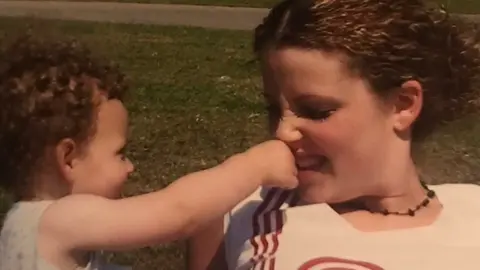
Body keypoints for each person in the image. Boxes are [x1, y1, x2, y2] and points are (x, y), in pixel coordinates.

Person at [187, 0, 480, 269]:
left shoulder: (472, 214)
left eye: (316, 111)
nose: (282, 132)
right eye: (274, 108)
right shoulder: (237, 206)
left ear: (402, 105)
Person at [0, 35, 298, 270]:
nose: (130, 167)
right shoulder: (59, 220)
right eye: (120, 153)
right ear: (68, 159)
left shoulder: (19, 224)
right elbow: (177, 213)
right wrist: (252, 167)